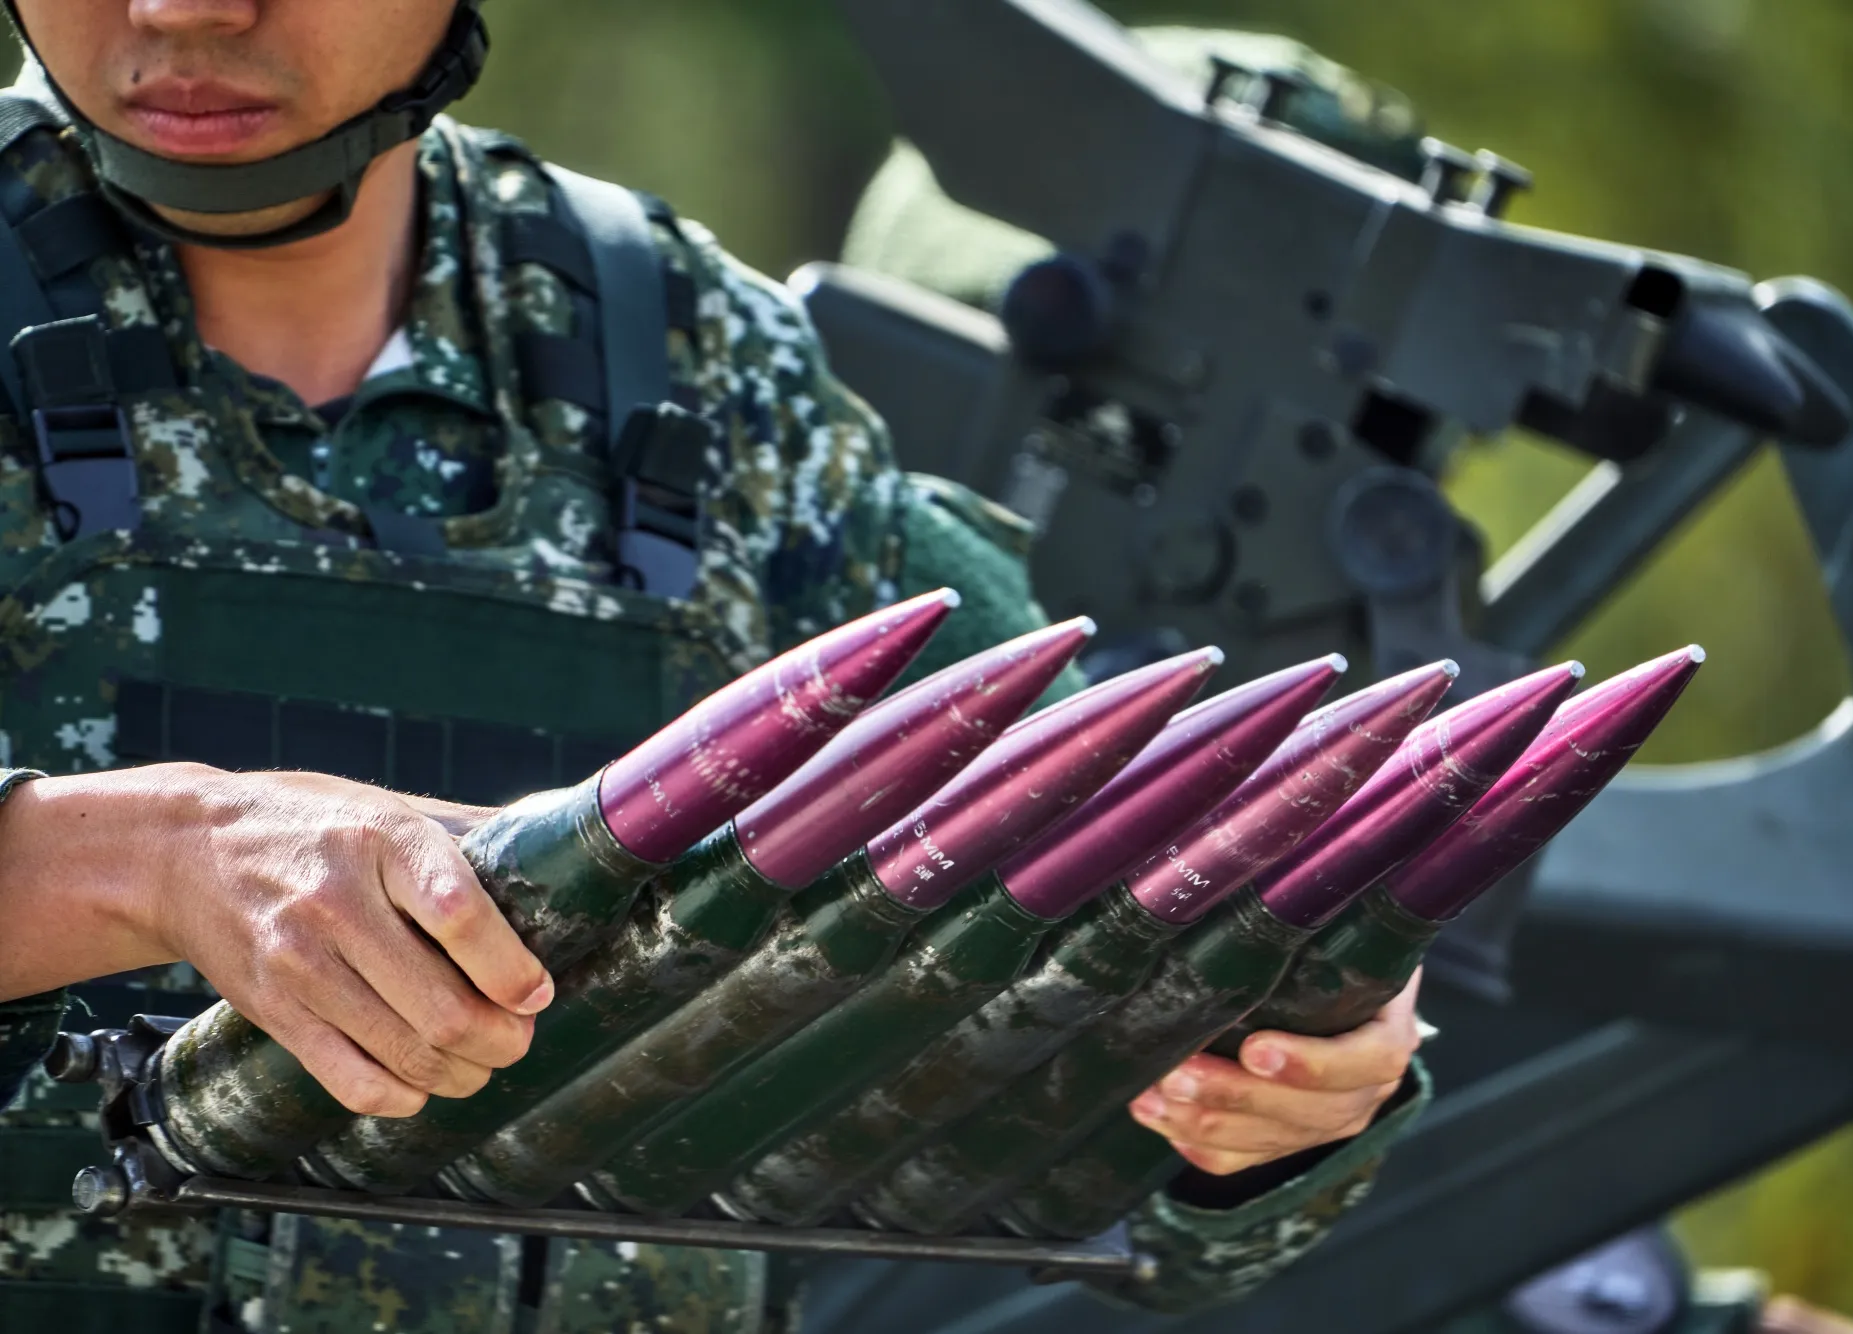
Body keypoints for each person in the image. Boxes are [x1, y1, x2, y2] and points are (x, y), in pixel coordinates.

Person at [0, 2, 1426, 1330]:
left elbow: (1097, 1033)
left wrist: (1280, 1078)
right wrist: (143, 857)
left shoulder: (689, 353)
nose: (182, 6)